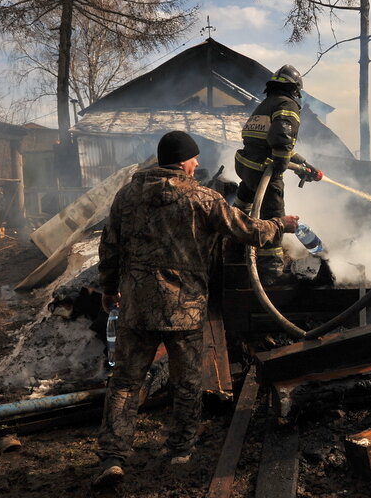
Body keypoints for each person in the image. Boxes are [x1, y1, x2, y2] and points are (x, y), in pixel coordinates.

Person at [93, 130, 299, 487]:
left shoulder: (126, 196)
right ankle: (179, 449)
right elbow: (246, 230)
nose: (198, 164)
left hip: (137, 307)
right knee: (187, 382)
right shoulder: (202, 197)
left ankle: (113, 456)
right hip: (184, 308)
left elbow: (109, 246)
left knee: (125, 383)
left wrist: (109, 289)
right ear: (183, 160)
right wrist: (281, 224)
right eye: (194, 158)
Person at [234, 64, 321, 284]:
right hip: (264, 170)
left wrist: (303, 165)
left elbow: (269, 141)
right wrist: (281, 165)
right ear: (295, 89)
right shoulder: (287, 104)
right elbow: (282, 137)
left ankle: (235, 246)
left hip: (246, 166)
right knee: (273, 216)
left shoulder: (265, 104)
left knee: (242, 208)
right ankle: (270, 270)